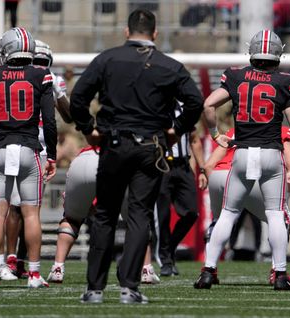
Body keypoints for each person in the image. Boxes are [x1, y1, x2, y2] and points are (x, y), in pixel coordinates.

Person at [70, 9, 203, 304]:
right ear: (155, 34)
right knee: (140, 215)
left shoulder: (107, 59)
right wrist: (176, 131)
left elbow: (78, 97)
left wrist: (88, 128)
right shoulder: (169, 66)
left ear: (126, 31)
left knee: (105, 214)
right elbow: (196, 102)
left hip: (114, 144)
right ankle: (130, 287)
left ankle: (94, 289)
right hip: (151, 148)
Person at [196, 29, 290, 291]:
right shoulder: (285, 81)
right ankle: (280, 274)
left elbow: (207, 105)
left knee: (227, 214)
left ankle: (208, 270)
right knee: (275, 214)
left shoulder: (235, 76)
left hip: (243, 152)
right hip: (271, 153)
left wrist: (216, 135)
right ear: (278, 53)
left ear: (253, 51)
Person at [0, 27, 57, 289]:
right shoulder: (41, 74)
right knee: (31, 214)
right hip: (29, 149)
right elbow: (51, 122)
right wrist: (52, 155)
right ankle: (33, 274)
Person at [195, 126, 290, 286]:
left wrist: (210, 178)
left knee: (221, 220)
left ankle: (209, 270)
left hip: (217, 175)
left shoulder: (236, 128)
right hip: (243, 175)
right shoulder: (278, 128)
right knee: (281, 218)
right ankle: (278, 272)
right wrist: (284, 198)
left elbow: (209, 164)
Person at [2, 38, 72, 281]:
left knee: (29, 209)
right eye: (37, 61)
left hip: (39, 149)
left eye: (44, 62)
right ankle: (10, 259)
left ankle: (21, 261)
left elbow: (68, 115)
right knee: (14, 206)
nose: (40, 66)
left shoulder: (50, 80)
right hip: (21, 142)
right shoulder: (22, 77)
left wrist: (57, 91)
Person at [46, 145, 161, 285]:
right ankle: (146, 269)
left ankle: (58, 268)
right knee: (137, 219)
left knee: (72, 220)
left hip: (82, 161)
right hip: (118, 160)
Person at [155, 102, 207, 277]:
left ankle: (169, 248)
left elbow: (194, 139)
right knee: (162, 215)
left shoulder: (185, 107)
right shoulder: (156, 104)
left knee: (191, 212)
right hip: (162, 165)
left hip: (183, 165)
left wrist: (202, 169)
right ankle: (166, 261)